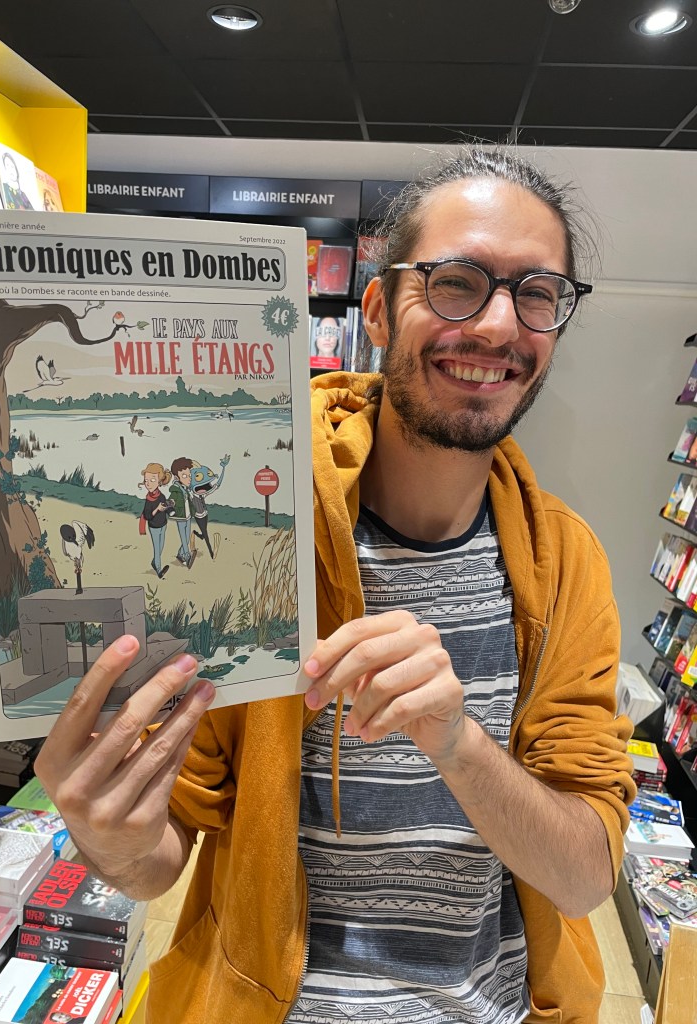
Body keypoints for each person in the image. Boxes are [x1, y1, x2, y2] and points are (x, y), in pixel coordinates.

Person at [36, 147, 636, 1024]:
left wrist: (458, 743)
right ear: (378, 311)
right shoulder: (260, 531)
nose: (499, 325)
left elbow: (584, 878)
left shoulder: (567, 564)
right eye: (456, 282)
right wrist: (109, 835)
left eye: (537, 293)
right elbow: (165, 851)